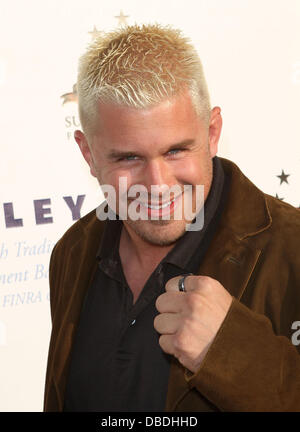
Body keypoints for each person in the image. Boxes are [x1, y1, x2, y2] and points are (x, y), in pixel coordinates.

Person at [44, 23, 300, 412]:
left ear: (212, 133)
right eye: (129, 157)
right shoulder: (73, 251)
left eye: (177, 150)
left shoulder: (292, 250)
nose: (159, 185)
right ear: (87, 154)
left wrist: (233, 353)